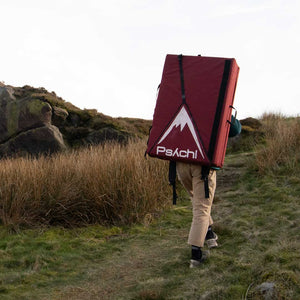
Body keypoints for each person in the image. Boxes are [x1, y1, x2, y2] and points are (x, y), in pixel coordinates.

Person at [176, 116, 241, 268]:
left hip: (180, 162)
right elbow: (234, 130)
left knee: (198, 202)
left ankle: (210, 235)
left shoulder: (181, 97)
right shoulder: (212, 100)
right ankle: (196, 256)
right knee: (202, 208)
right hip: (202, 165)